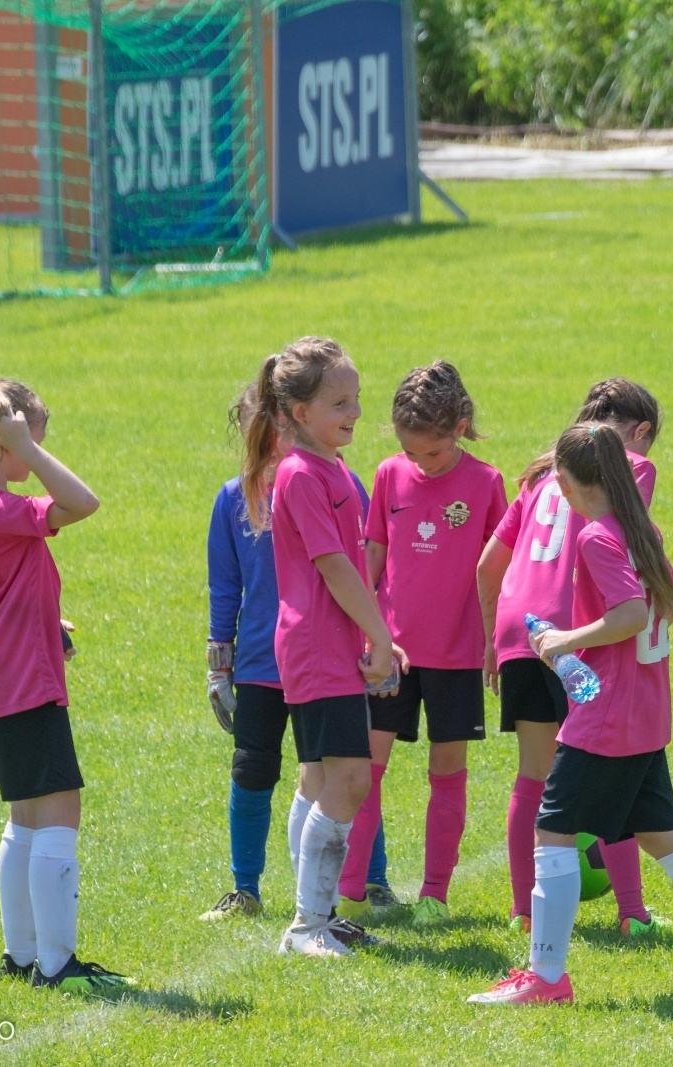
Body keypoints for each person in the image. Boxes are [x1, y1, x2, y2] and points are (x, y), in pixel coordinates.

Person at [467, 425, 673, 1005]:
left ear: (562, 479)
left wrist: (564, 640)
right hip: (644, 708)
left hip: (607, 713)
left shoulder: (596, 539)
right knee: (660, 834)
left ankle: (546, 978)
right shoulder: (641, 529)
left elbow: (633, 614)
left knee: (552, 828)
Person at [0, 378, 132, 994]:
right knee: (58, 809)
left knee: (26, 815)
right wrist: (27, 448)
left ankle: (21, 956)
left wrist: (43, 619)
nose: (36, 450)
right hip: (18, 678)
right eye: (30, 439)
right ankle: (57, 968)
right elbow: (82, 502)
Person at [202, 382, 396, 922]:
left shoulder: (337, 481)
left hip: (334, 654)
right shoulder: (233, 500)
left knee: (342, 770)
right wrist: (220, 666)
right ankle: (247, 888)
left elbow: (362, 570)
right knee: (255, 770)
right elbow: (226, 587)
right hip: (266, 664)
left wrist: (377, 634)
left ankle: (369, 880)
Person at [476, 379, 664, 937]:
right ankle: (632, 913)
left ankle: (523, 911)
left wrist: (494, 642)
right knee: (614, 770)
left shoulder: (542, 475)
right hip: (576, 633)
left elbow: (489, 565)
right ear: (640, 433)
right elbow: (624, 539)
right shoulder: (632, 466)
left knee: (533, 774)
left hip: (520, 630)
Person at [240, 336, 406, 958]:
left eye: (356, 398)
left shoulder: (331, 467)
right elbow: (335, 569)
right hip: (315, 645)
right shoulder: (302, 474)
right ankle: (308, 925)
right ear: (299, 412)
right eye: (340, 401)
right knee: (349, 780)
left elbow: (352, 571)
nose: (355, 411)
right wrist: (382, 637)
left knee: (318, 780)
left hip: (328, 642)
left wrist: (377, 631)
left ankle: (320, 916)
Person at [333, 361, 507, 927]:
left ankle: (435, 894)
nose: (420, 464)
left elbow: (497, 571)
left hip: (457, 655)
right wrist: (366, 633)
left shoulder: (485, 484)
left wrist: (494, 642)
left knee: (447, 768)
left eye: (430, 454)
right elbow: (372, 557)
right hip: (393, 654)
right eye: (411, 453)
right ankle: (351, 891)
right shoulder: (388, 475)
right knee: (366, 769)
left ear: (459, 428)